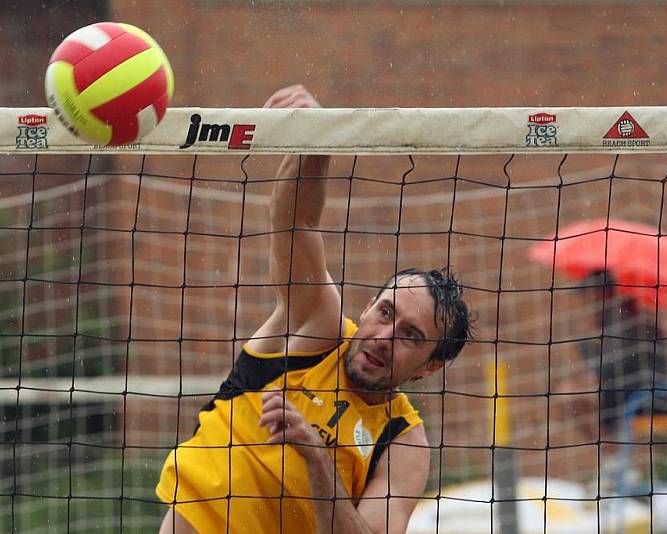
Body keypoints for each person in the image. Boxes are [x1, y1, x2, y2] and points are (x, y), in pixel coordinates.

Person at [156, 85, 473, 534]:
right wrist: (318, 143)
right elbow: (295, 221)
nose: (384, 337)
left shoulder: (402, 441)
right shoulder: (317, 327)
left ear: (431, 368)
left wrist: (315, 457)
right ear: (367, 309)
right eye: (385, 313)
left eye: (411, 336)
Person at [560, 271, 667, 438]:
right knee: (570, 395)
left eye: (588, 295)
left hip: (652, 396)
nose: (585, 302)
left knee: (576, 395)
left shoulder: (630, 319)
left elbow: (610, 367)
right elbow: (599, 369)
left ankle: (611, 453)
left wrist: (586, 342)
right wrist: (588, 341)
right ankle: (609, 452)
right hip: (625, 393)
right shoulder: (608, 320)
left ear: (602, 293)